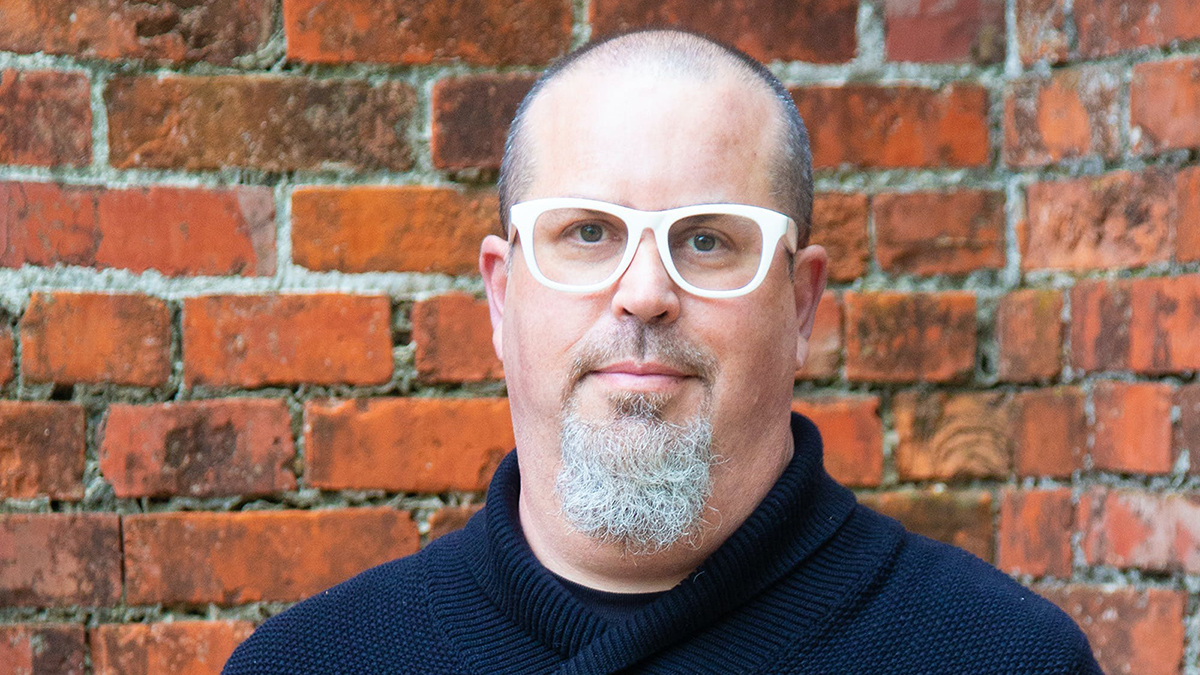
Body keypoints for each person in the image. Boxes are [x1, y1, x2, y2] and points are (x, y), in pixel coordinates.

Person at [224, 29, 1101, 674]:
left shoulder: (1000, 656)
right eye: (590, 232)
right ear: (502, 293)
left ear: (800, 302)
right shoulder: (313, 662)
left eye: (709, 240)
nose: (644, 291)